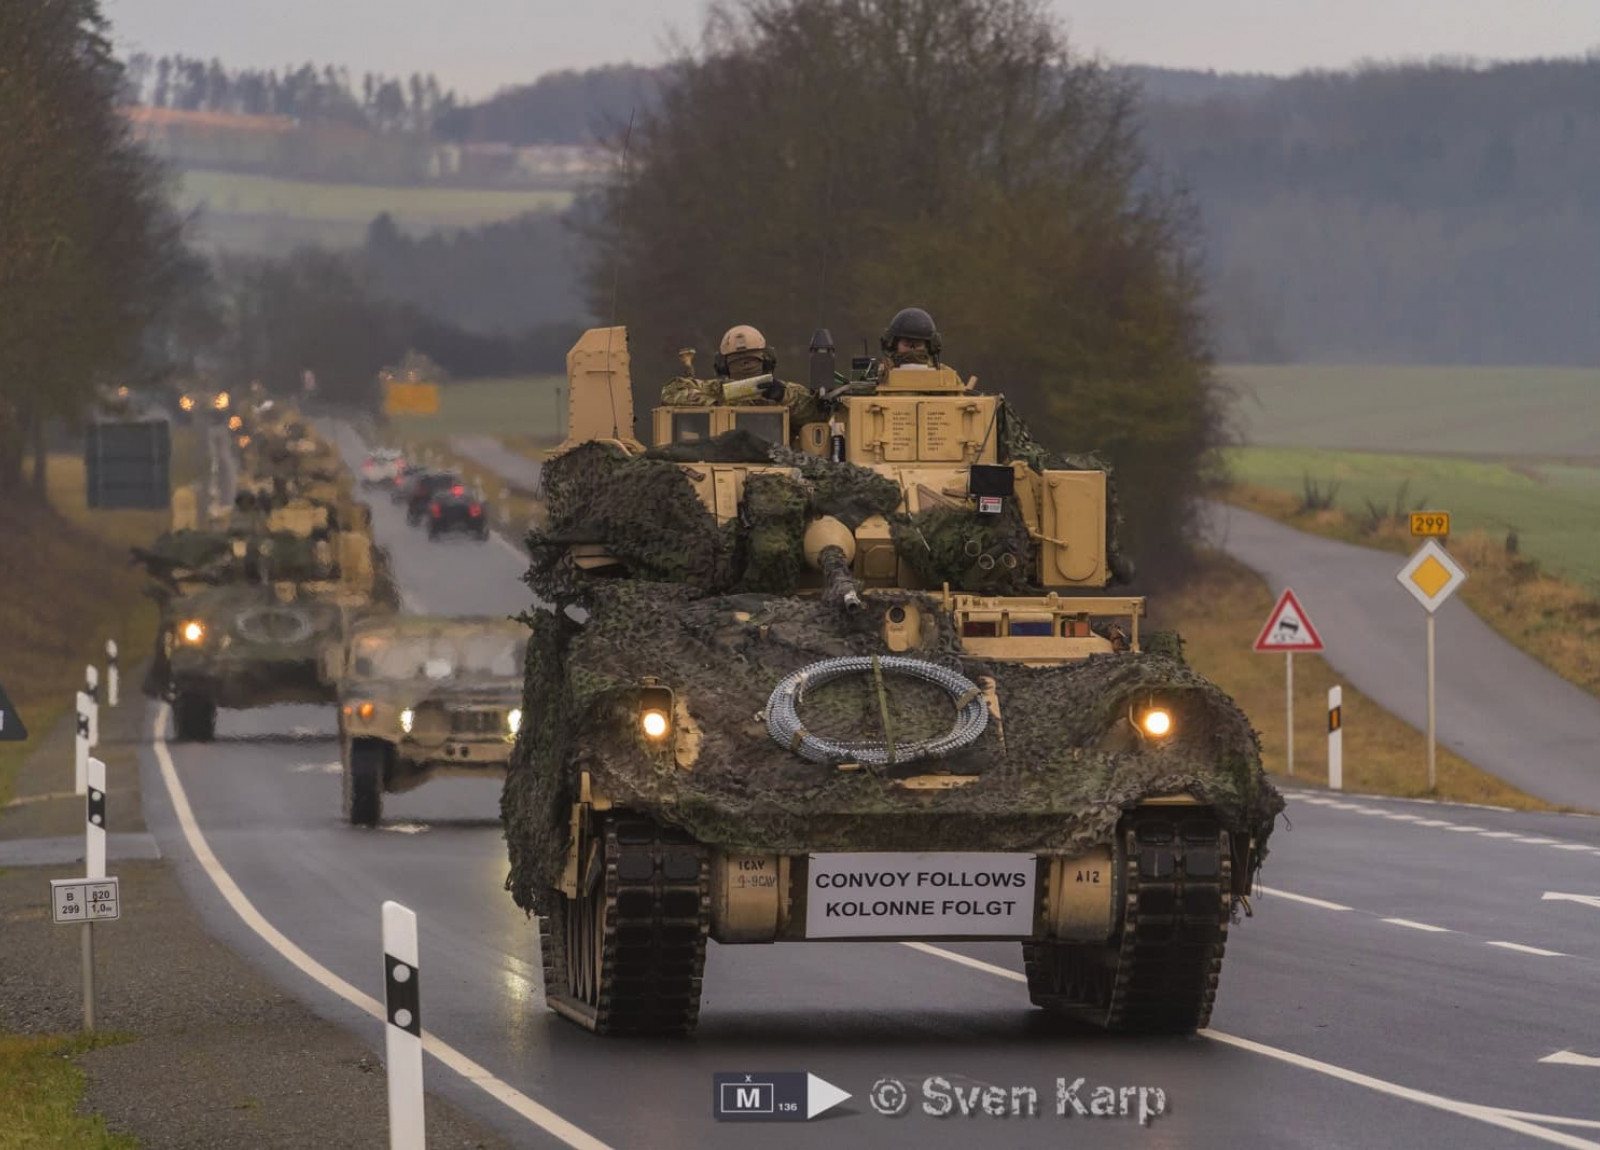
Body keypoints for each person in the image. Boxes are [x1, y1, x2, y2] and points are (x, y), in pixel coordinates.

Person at [661, 325, 822, 425]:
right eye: (737, 361)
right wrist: (716, 406)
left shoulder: (786, 392)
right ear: (724, 367)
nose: (746, 366)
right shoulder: (714, 389)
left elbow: (817, 414)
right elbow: (671, 391)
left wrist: (783, 396)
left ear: (766, 362)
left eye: (752, 360)